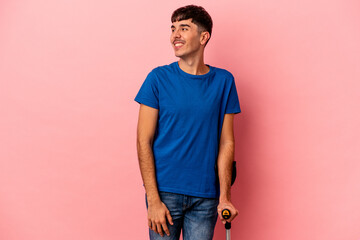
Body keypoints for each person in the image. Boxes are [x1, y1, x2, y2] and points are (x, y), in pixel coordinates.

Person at [134, 4, 241, 240]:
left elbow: (226, 143)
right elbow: (143, 140)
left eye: (184, 28)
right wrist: (153, 200)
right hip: (165, 194)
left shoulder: (224, 82)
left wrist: (225, 197)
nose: (175, 35)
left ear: (204, 37)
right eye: (173, 29)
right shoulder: (157, 79)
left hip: (205, 196)